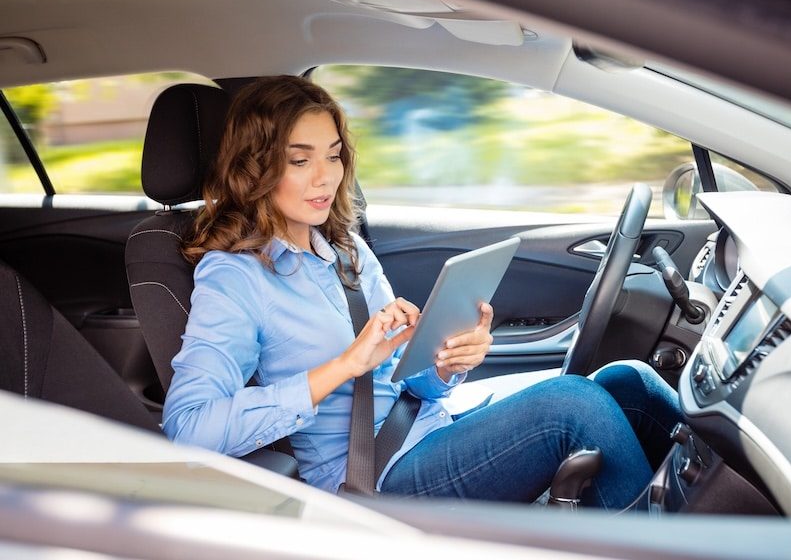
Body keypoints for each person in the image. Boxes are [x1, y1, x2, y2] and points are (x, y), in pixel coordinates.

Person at [162, 75, 681, 509]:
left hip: (424, 422)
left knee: (628, 382)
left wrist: (444, 365)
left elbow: (404, 384)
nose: (325, 177)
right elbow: (189, 430)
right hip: (371, 475)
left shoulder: (345, 251)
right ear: (256, 167)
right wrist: (346, 364)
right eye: (300, 161)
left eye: (334, 156)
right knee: (576, 406)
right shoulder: (234, 276)